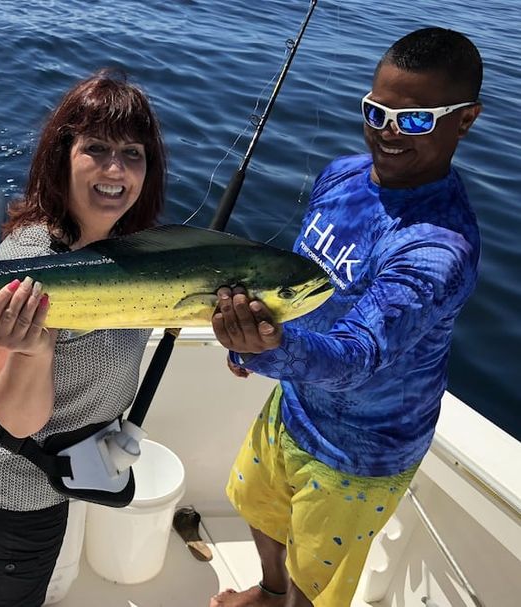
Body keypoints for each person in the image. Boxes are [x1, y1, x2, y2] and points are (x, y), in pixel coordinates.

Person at [209, 27, 482, 607]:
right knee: (258, 506)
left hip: (361, 452)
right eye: (376, 111)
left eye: (415, 120)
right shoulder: (342, 174)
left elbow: (359, 356)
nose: (388, 132)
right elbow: (300, 286)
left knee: (316, 583)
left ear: (465, 120)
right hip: (294, 403)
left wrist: (269, 349)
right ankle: (268, 590)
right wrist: (255, 343)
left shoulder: (436, 249)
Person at [0, 69, 166, 607]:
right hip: (6, 484)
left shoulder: (131, 250)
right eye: (96, 148)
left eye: (132, 153)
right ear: (62, 157)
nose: (115, 169)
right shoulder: (30, 260)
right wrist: (33, 351)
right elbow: (16, 418)